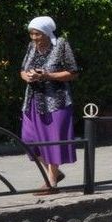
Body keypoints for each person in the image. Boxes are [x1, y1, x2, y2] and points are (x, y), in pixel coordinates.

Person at [19, 15, 78, 194]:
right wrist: (27, 76)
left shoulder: (60, 45)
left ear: (46, 32)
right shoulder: (32, 47)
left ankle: (51, 183)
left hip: (56, 102)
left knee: (53, 142)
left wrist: (46, 76)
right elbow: (22, 70)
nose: (34, 38)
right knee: (29, 140)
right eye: (31, 34)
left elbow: (73, 72)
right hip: (33, 101)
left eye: (37, 34)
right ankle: (55, 174)